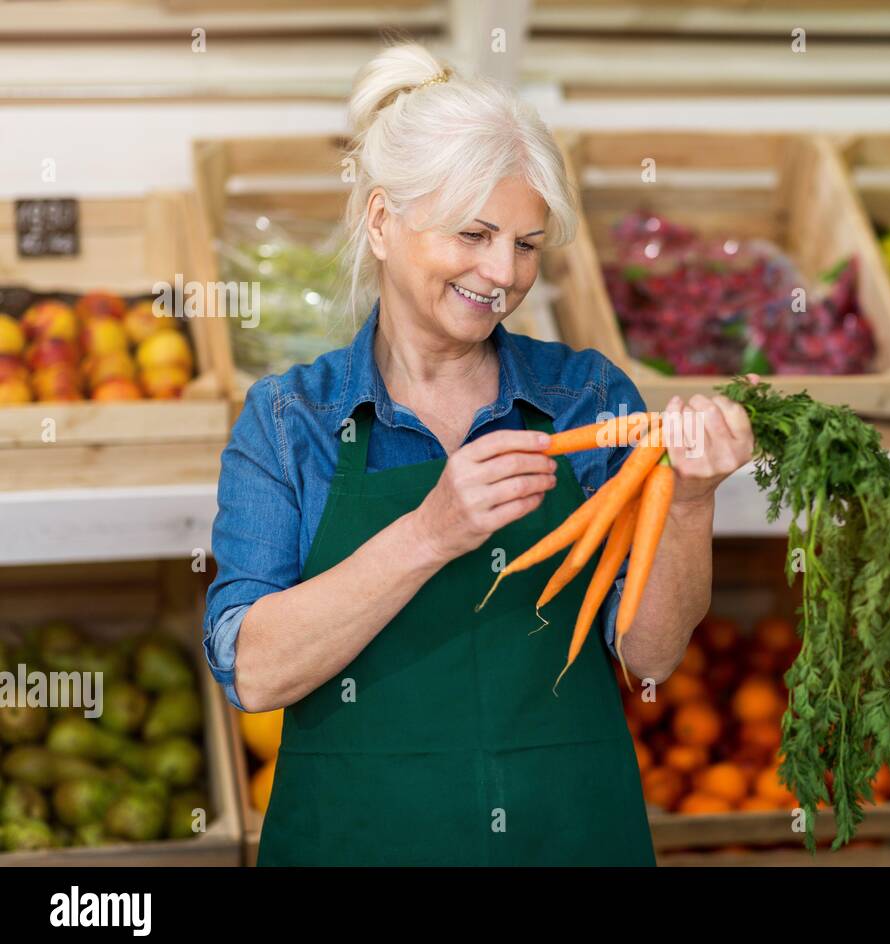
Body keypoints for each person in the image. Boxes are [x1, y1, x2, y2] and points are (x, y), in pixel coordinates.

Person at [203, 43, 755, 866]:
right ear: (383, 221)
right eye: (475, 234)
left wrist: (691, 501)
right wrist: (429, 533)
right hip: (356, 844)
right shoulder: (290, 422)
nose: (503, 273)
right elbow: (254, 672)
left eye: (528, 245)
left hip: (567, 836)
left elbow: (652, 656)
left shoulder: (587, 399)